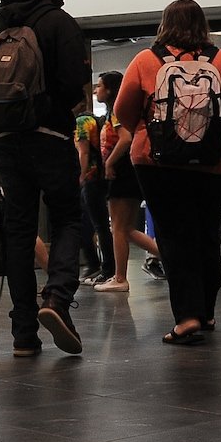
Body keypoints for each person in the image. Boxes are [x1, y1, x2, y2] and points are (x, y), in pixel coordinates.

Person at [114, 0, 221, 345]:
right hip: (216, 162)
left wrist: (143, 128)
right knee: (208, 234)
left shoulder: (146, 60)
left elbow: (123, 111)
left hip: (158, 163)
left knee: (174, 237)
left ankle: (187, 317)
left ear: (165, 24)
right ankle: (206, 312)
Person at [0, 0, 92, 356]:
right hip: (50, 137)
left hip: (6, 142)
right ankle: (57, 298)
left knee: (20, 231)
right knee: (67, 217)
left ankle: (23, 333)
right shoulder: (60, 23)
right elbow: (74, 84)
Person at [96, 71, 159, 292]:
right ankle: (174, 258)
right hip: (128, 171)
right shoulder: (115, 112)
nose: (96, 90)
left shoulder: (116, 112)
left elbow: (125, 139)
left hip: (122, 172)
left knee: (119, 228)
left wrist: (109, 163)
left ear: (110, 90)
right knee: (127, 228)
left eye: (99, 86)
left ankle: (120, 277)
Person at [75, 95, 112, 286]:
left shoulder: (81, 121)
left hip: (90, 178)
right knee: (98, 225)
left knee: (93, 225)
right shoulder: (94, 120)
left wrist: (80, 177)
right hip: (101, 176)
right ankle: (100, 265)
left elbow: (84, 151)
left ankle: (102, 267)